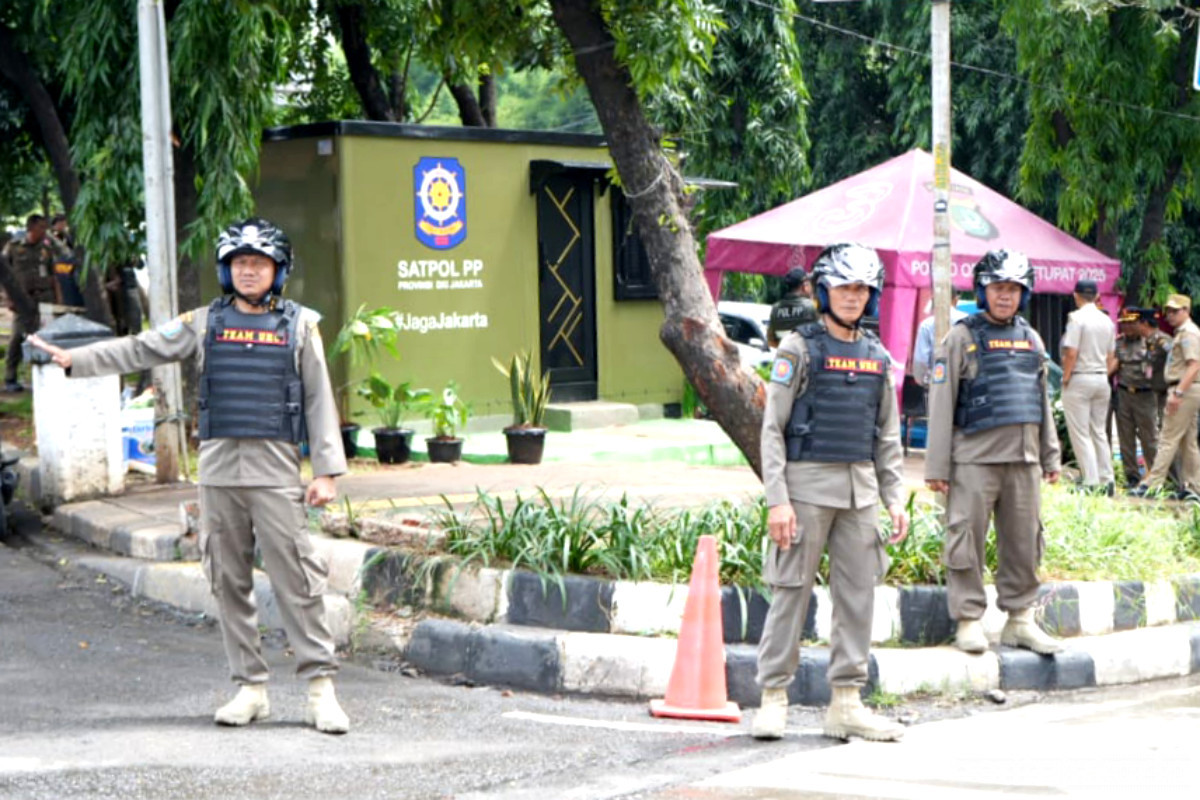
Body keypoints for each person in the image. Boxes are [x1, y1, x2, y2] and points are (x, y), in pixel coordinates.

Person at [29, 217, 351, 734]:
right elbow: (141, 348)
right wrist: (76, 359)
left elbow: (318, 398)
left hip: (274, 471)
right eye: (240, 263)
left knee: (298, 581)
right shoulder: (203, 322)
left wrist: (327, 473)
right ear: (227, 270)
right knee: (227, 581)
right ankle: (250, 689)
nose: (248, 271)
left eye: (259, 263)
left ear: (278, 270)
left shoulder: (300, 326)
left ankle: (320, 691)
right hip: (218, 473)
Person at [752, 242, 909, 742]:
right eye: (843, 287)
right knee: (790, 593)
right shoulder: (797, 349)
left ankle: (846, 703)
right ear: (824, 291)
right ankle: (773, 697)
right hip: (806, 491)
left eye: (861, 288)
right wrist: (778, 500)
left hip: (860, 494)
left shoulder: (877, 355)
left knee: (858, 597)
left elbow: (887, 436)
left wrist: (894, 497)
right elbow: (772, 431)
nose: (852, 297)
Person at [924, 250, 1063, 656]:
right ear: (982, 291)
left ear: (1024, 294)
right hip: (974, 460)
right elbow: (941, 403)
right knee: (965, 540)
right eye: (998, 288)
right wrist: (937, 466)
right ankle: (968, 619)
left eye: (1014, 289)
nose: (1005, 296)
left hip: (1024, 460)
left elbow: (1041, 401)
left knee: (1024, 541)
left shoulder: (1031, 338)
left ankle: (1019, 620)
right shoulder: (960, 338)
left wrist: (1050, 455)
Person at [1130, 294, 1200, 500]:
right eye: (1168, 311)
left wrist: (1178, 393)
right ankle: (1193, 486)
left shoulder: (1188, 333)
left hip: (1183, 388)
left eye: (1175, 311)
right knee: (1188, 442)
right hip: (1186, 388)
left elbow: (1194, 365)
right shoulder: (1183, 333)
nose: (1170, 315)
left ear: (1186, 311)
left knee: (1168, 437)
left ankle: (1152, 483)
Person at [1, 213, 71, 392]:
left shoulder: (46, 247)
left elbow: (55, 275)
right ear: (31, 228)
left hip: (45, 297)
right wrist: (9, 298)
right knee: (17, 337)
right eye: (41, 227)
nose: (45, 231)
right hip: (23, 299)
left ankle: (47, 373)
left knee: (47, 337)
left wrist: (58, 301)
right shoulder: (14, 247)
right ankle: (10, 377)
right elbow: (4, 274)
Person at [1059, 279, 1117, 494]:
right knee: (1099, 432)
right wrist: (1101, 374)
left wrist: (1066, 378)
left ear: (1076, 295)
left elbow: (1071, 352)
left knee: (1080, 433)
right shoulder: (1107, 321)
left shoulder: (1076, 318)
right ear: (1097, 296)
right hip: (1102, 379)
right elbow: (1111, 356)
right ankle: (1107, 479)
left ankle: (1090, 481)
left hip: (1080, 378)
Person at [1113, 307, 1171, 490]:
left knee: (1150, 438)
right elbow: (1114, 364)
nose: (1127, 327)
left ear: (1139, 323)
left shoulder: (1151, 342)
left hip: (1146, 395)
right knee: (1125, 438)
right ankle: (1131, 476)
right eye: (1124, 324)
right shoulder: (1118, 343)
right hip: (1124, 393)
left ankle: (1156, 477)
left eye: (1131, 323)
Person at [911, 298, 968, 387]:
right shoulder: (968, 321)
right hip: (966, 385)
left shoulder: (927, 325)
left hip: (936, 383)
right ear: (956, 300)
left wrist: (927, 382)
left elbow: (921, 361)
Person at [767, 266, 818, 347]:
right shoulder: (811, 306)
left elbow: (771, 341)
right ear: (804, 286)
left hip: (784, 352)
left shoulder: (775, 309)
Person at [48, 213, 86, 309]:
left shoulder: (66, 235)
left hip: (70, 265)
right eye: (62, 224)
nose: (64, 226)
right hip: (59, 267)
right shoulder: (50, 237)